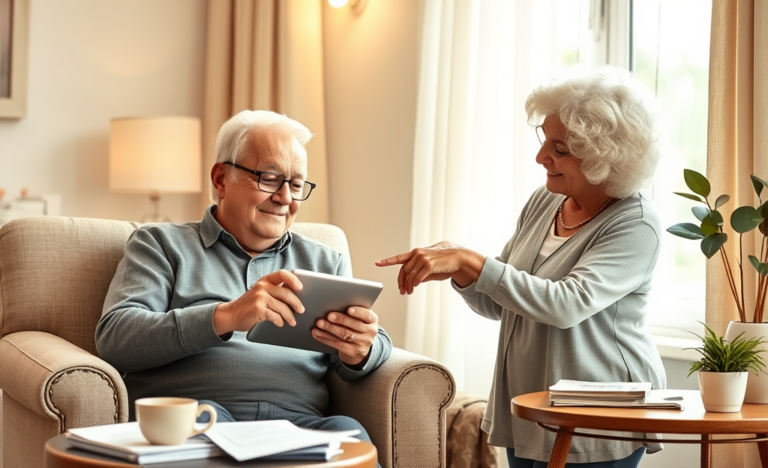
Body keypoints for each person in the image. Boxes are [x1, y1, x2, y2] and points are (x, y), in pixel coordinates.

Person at [376, 68, 665, 468]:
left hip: (599, 413)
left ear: (604, 156)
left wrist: (471, 261)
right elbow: (502, 303)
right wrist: (462, 274)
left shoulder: (636, 224)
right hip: (528, 406)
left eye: (559, 148)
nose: (541, 156)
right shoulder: (545, 202)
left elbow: (566, 304)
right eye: (544, 140)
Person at [96, 110, 392, 457]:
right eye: (270, 178)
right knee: (198, 426)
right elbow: (116, 337)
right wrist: (227, 316)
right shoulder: (160, 244)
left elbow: (373, 343)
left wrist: (362, 350)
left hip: (298, 426)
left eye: (296, 185)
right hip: (202, 416)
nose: (285, 197)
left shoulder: (326, 261)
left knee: (348, 433)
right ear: (221, 179)